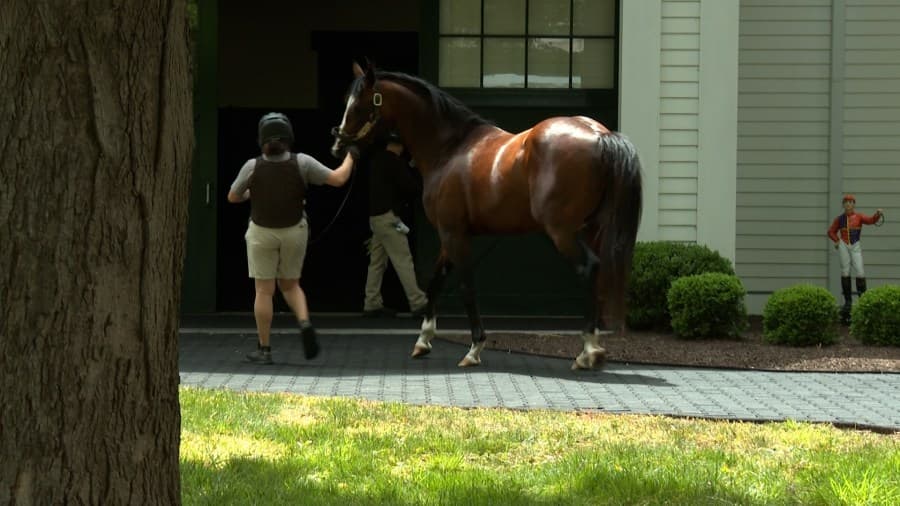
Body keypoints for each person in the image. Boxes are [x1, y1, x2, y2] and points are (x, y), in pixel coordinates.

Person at [228, 112, 357, 364]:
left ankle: (264, 349)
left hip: (261, 233)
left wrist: (252, 194)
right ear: (289, 138)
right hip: (294, 231)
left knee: (264, 291)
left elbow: (233, 197)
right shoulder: (303, 162)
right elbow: (339, 178)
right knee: (290, 285)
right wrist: (352, 154)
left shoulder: (252, 166)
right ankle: (304, 322)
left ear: (261, 140)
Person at [362, 132, 428, 318]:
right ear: (400, 145)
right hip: (389, 219)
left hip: (376, 218)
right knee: (403, 260)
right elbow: (411, 187)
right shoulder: (395, 161)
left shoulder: (376, 161)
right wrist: (414, 169)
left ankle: (371, 302)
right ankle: (418, 302)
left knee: (377, 262)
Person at [827, 194, 883, 322]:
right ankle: (848, 302)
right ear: (843, 204)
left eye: (850, 202)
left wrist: (877, 214)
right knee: (845, 271)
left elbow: (871, 221)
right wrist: (836, 240)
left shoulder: (859, 217)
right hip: (843, 245)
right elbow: (830, 231)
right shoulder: (839, 219)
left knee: (860, 271)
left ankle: (863, 301)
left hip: (856, 245)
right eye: (846, 202)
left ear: (854, 204)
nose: (848, 204)